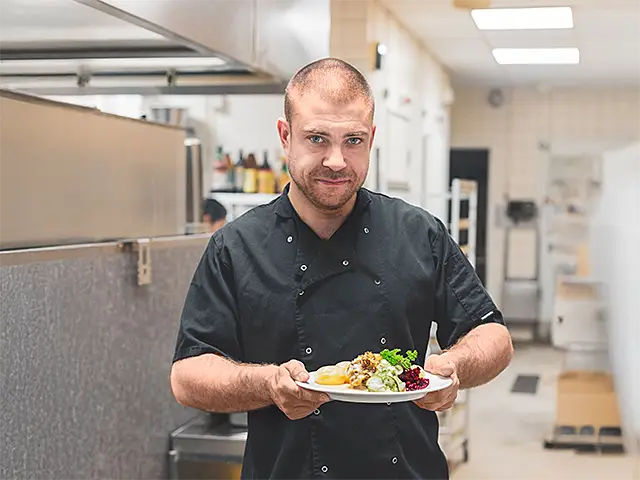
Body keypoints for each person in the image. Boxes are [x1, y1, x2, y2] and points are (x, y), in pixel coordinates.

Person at [170, 58, 513, 480]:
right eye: (317, 138)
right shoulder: (236, 246)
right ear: (285, 136)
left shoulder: (418, 233)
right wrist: (267, 385)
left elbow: (494, 336)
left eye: (352, 140)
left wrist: (454, 366)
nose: (336, 160)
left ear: (371, 139)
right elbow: (187, 375)